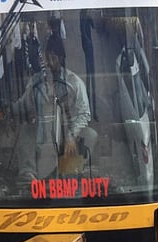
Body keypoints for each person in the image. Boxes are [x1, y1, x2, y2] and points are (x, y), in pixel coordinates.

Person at [13, 33, 96, 180]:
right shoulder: (36, 82)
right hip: (42, 134)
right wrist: (8, 110)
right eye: (47, 58)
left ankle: (74, 172)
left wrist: (71, 135)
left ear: (62, 58)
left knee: (90, 135)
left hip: (68, 135)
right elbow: (23, 104)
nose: (50, 63)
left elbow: (84, 113)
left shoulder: (75, 82)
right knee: (25, 131)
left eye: (54, 58)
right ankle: (29, 175)